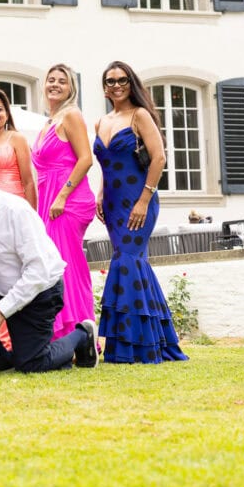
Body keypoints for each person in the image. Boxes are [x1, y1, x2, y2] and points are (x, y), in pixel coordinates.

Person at [0, 156, 99, 373]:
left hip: (39, 291)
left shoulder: (15, 210)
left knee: (31, 363)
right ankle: (1, 356)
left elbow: (38, 273)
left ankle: (81, 335)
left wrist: (1, 310)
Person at [94, 61, 188, 364]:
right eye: (110, 81)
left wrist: (144, 200)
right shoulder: (101, 121)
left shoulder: (140, 115)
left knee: (127, 261)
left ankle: (133, 346)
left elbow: (158, 157)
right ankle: (153, 340)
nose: (116, 85)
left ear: (130, 82)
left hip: (138, 199)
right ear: (105, 87)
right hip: (112, 203)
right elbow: (106, 165)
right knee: (133, 264)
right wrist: (99, 192)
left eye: (122, 80)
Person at [33, 64, 97, 340]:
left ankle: (79, 334)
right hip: (49, 199)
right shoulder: (49, 121)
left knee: (67, 267)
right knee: (56, 265)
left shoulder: (71, 115)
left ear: (71, 88)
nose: (55, 84)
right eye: (51, 80)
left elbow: (86, 158)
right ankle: (62, 334)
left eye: (62, 81)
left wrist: (62, 196)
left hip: (68, 201)